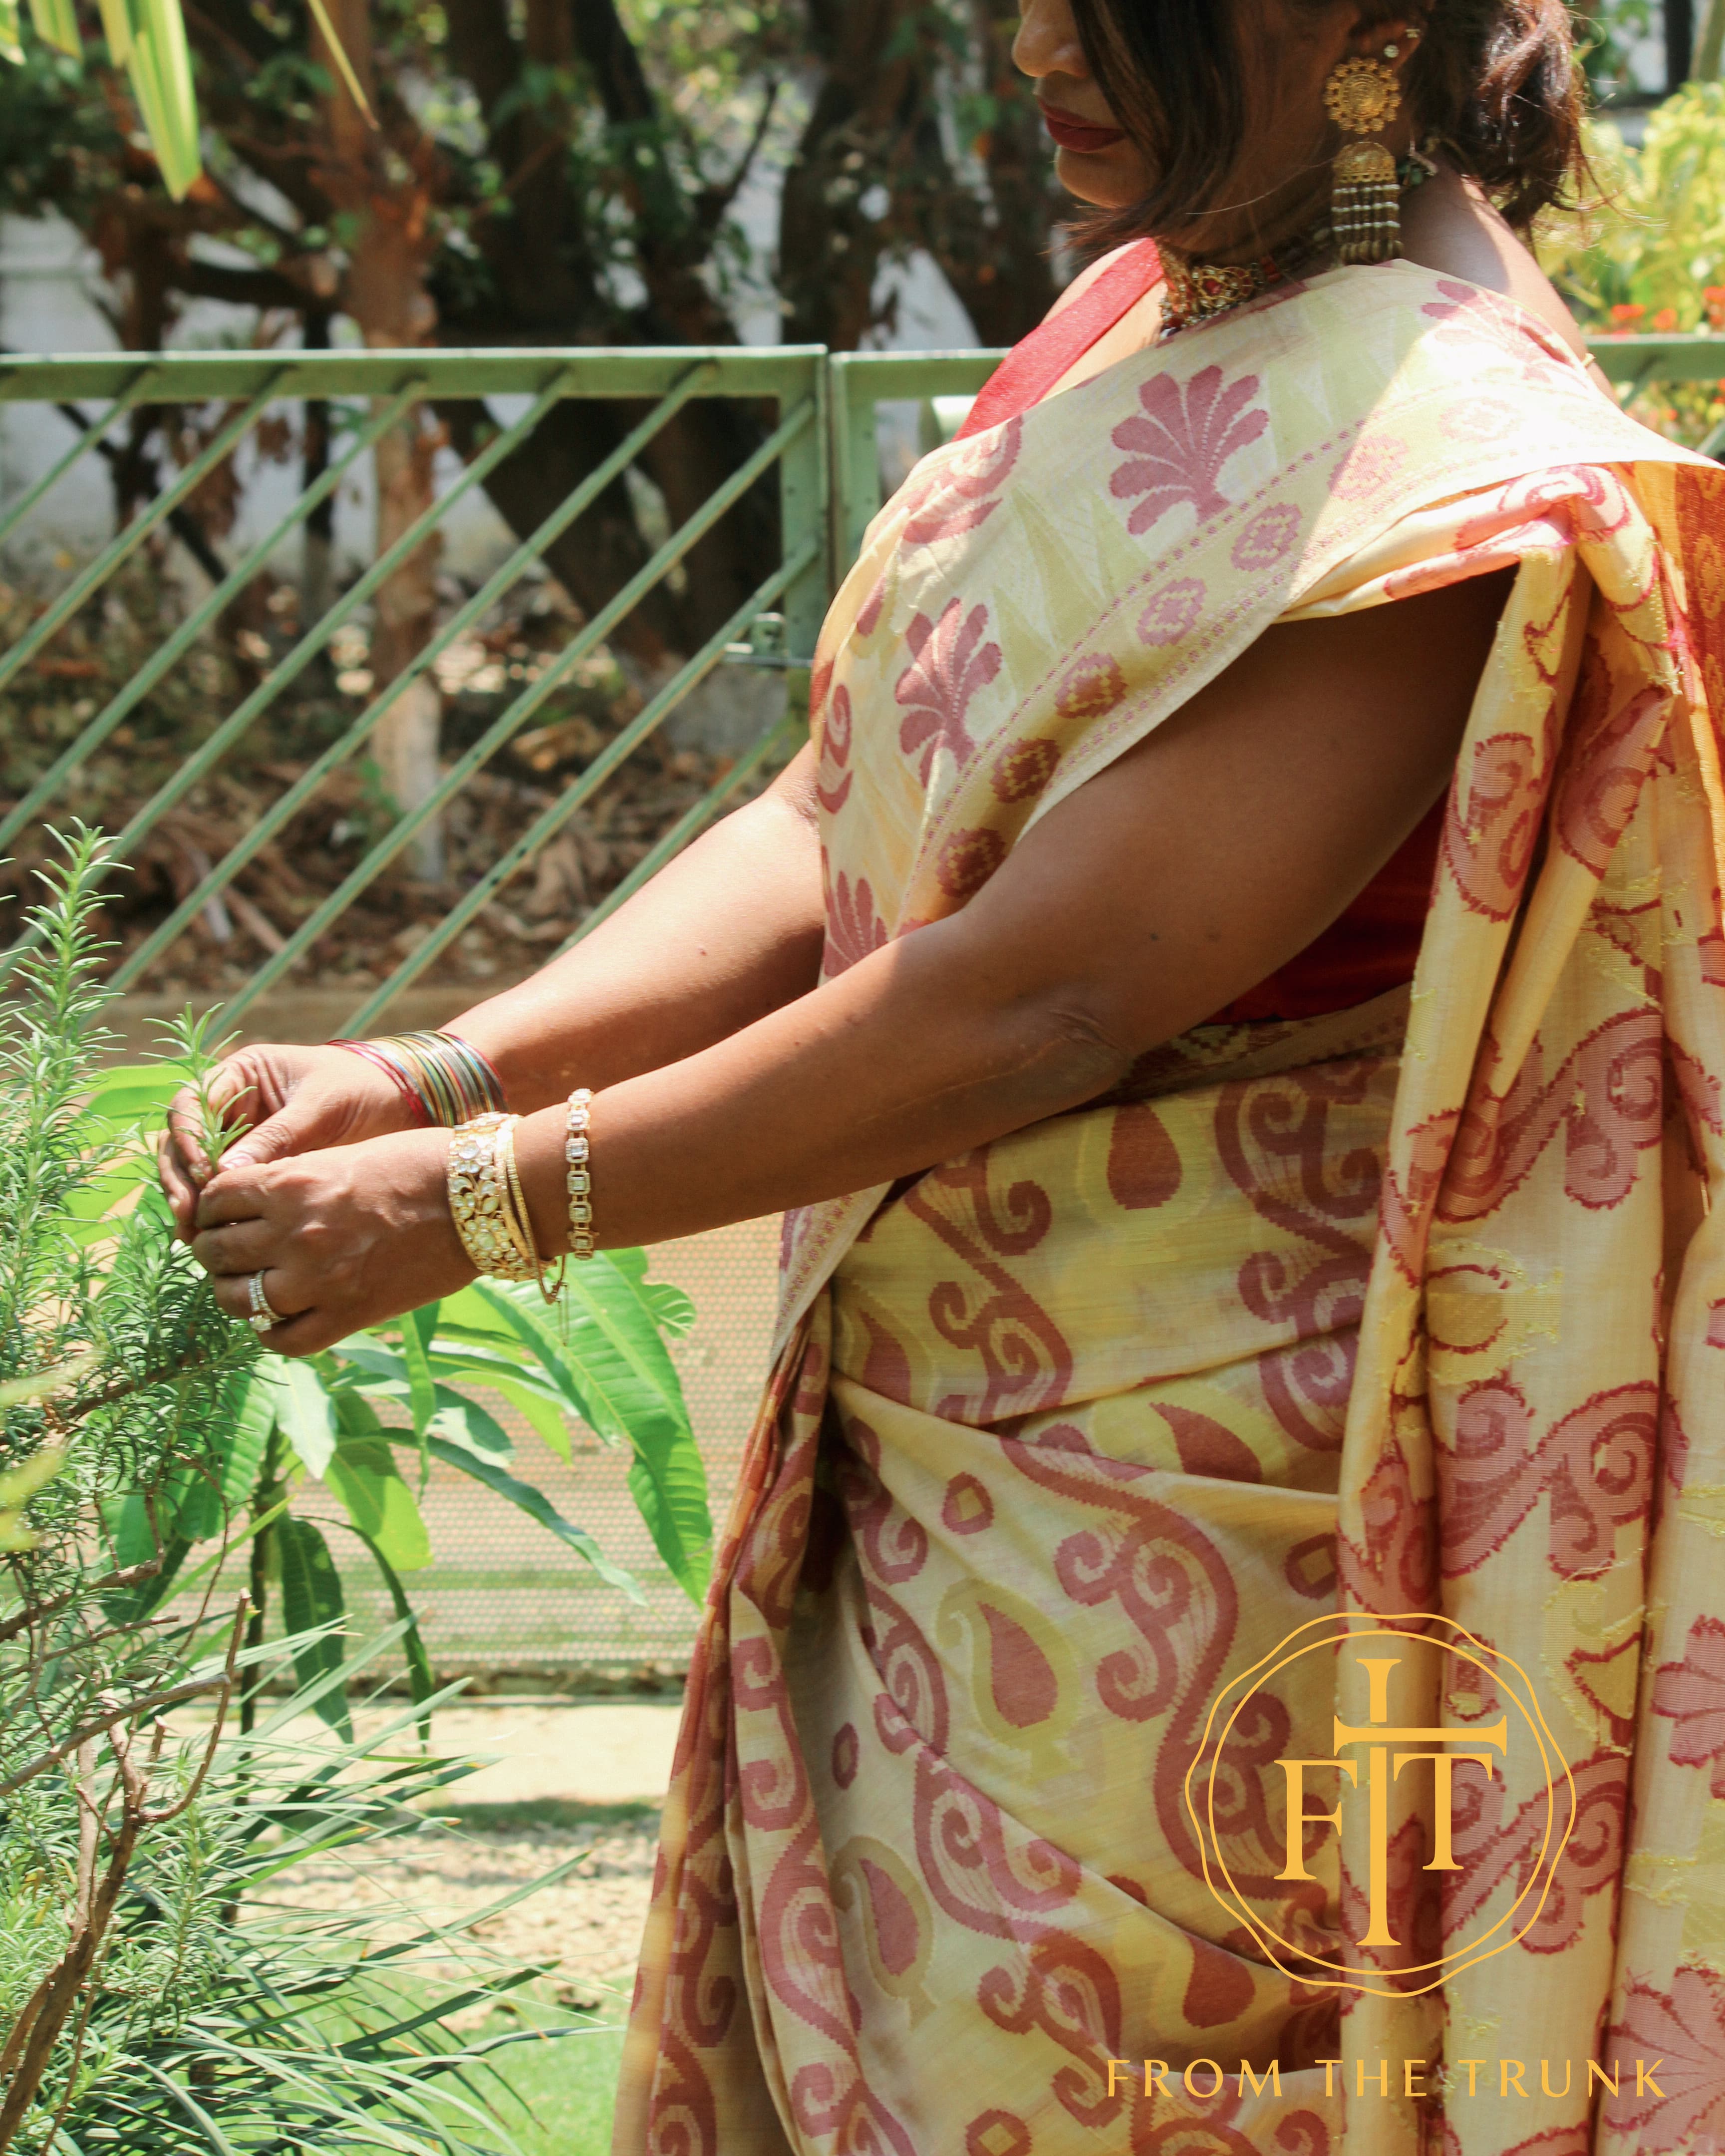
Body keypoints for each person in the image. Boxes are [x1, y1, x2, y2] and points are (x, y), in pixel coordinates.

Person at [160, 1, 1725, 2148]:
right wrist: (443, 1072)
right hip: (937, 1510)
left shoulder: (1450, 454)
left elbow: (1040, 992)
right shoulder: (1139, 305)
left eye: (1121, 3)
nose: (1029, 44)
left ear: (1363, 24)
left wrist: (492, 1198)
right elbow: (835, 812)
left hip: (1193, 1598)